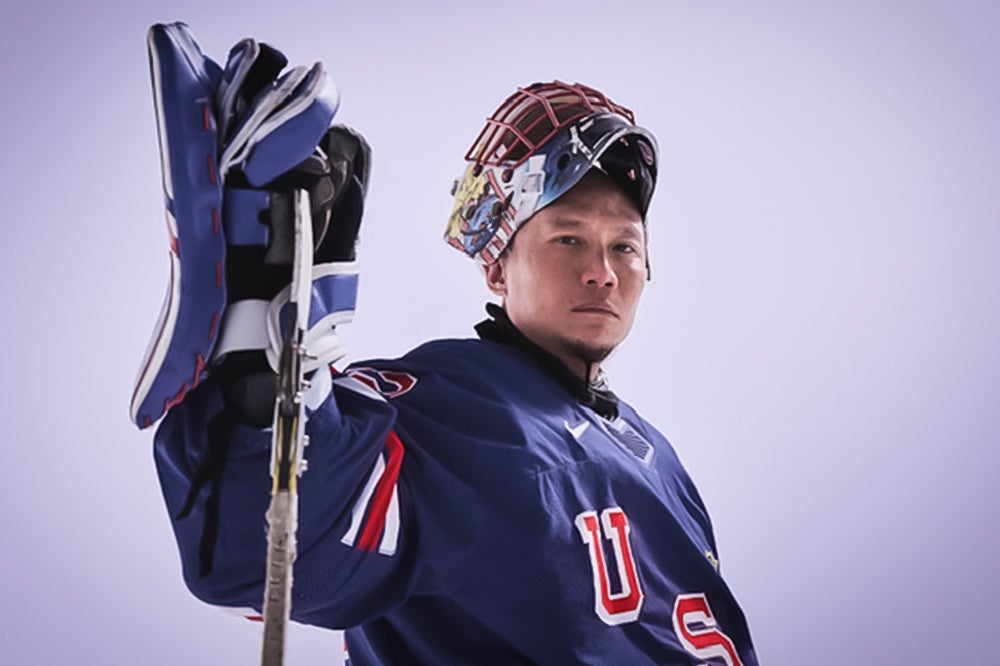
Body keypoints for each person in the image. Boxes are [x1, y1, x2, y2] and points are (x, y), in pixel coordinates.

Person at [137, 31, 758, 664]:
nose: (602, 270)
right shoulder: (442, 402)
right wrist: (266, 356)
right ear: (497, 269)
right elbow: (266, 556)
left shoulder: (667, 466)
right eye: (568, 239)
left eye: (624, 246)